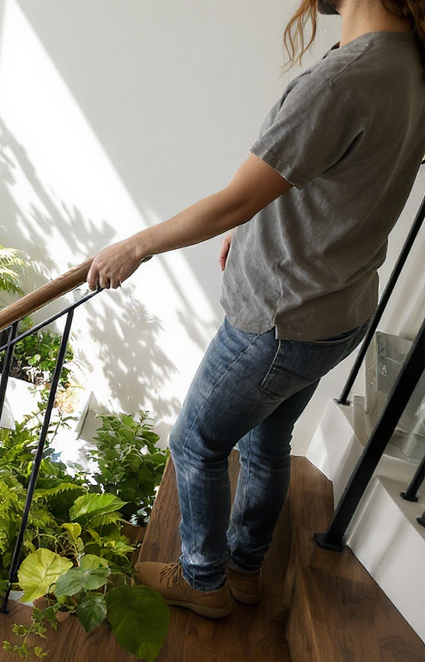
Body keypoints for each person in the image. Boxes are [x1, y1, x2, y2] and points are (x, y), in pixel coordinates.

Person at [87, 0, 425, 618]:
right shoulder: (409, 67)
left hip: (278, 320)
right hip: (338, 313)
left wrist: (135, 245)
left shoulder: (340, 82)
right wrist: (253, 221)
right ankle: (244, 570)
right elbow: (335, 183)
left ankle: (205, 582)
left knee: (196, 443)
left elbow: (234, 199)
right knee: (270, 440)